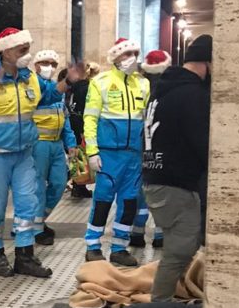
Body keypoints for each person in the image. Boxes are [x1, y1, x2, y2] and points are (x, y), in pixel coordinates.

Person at [0, 28, 79, 278]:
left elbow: (49, 95)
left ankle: (25, 256)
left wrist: (68, 81)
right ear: (6, 51)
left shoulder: (29, 78)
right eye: (22, 50)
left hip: (23, 155)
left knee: (27, 206)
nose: (27, 55)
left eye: (27, 49)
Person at [142, 35, 212, 302]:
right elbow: (203, 143)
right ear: (208, 63)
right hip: (175, 182)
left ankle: (161, 302)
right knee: (180, 251)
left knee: (178, 246)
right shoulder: (192, 95)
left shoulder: (162, 90)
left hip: (155, 177)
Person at [83, 38, 151, 266]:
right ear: (115, 57)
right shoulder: (100, 82)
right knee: (102, 201)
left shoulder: (143, 84)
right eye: (126, 53)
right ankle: (93, 245)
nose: (131, 57)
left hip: (134, 155)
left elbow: (147, 122)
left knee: (129, 202)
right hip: (108, 154)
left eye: (134, 53)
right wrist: (92, 152)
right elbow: (90, 118)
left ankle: (119, 247)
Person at [31, 50, 78, 245]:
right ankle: (33, 228)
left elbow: (64, 118)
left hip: (56, 146)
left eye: (52, 63)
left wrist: (71, 143)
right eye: (44, 62)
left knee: (59, 184)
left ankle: (37, 221)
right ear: (35, 65)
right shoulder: (32, 87)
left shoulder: (56, 91)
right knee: (37, 188)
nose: (48, 67)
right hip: (38, 145)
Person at [128, 50, 172, 249]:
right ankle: (160, 234)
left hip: (141, 144)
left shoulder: (141, 85)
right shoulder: (171, 88)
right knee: (162, 189)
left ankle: (137, 232)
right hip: (163, 144)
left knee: (142, 188)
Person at [65, 63, 95, 199]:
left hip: (73, 124)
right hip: (81, 124)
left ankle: (78, 184)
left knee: (76, 154)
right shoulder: (86, 88)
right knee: (80, 154)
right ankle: (79, 185)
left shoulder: (73, 88)